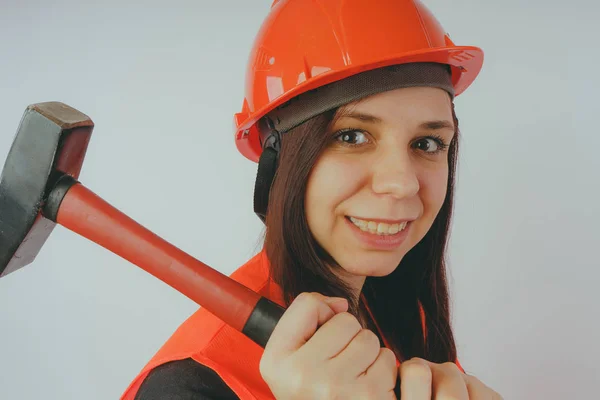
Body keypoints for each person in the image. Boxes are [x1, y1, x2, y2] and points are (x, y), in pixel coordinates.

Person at [122, 0, 503, 398]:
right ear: (279, 161)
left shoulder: (400, 314)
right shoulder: (189, 387)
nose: (402, 184)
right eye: (351, 136)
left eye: (427, 143)